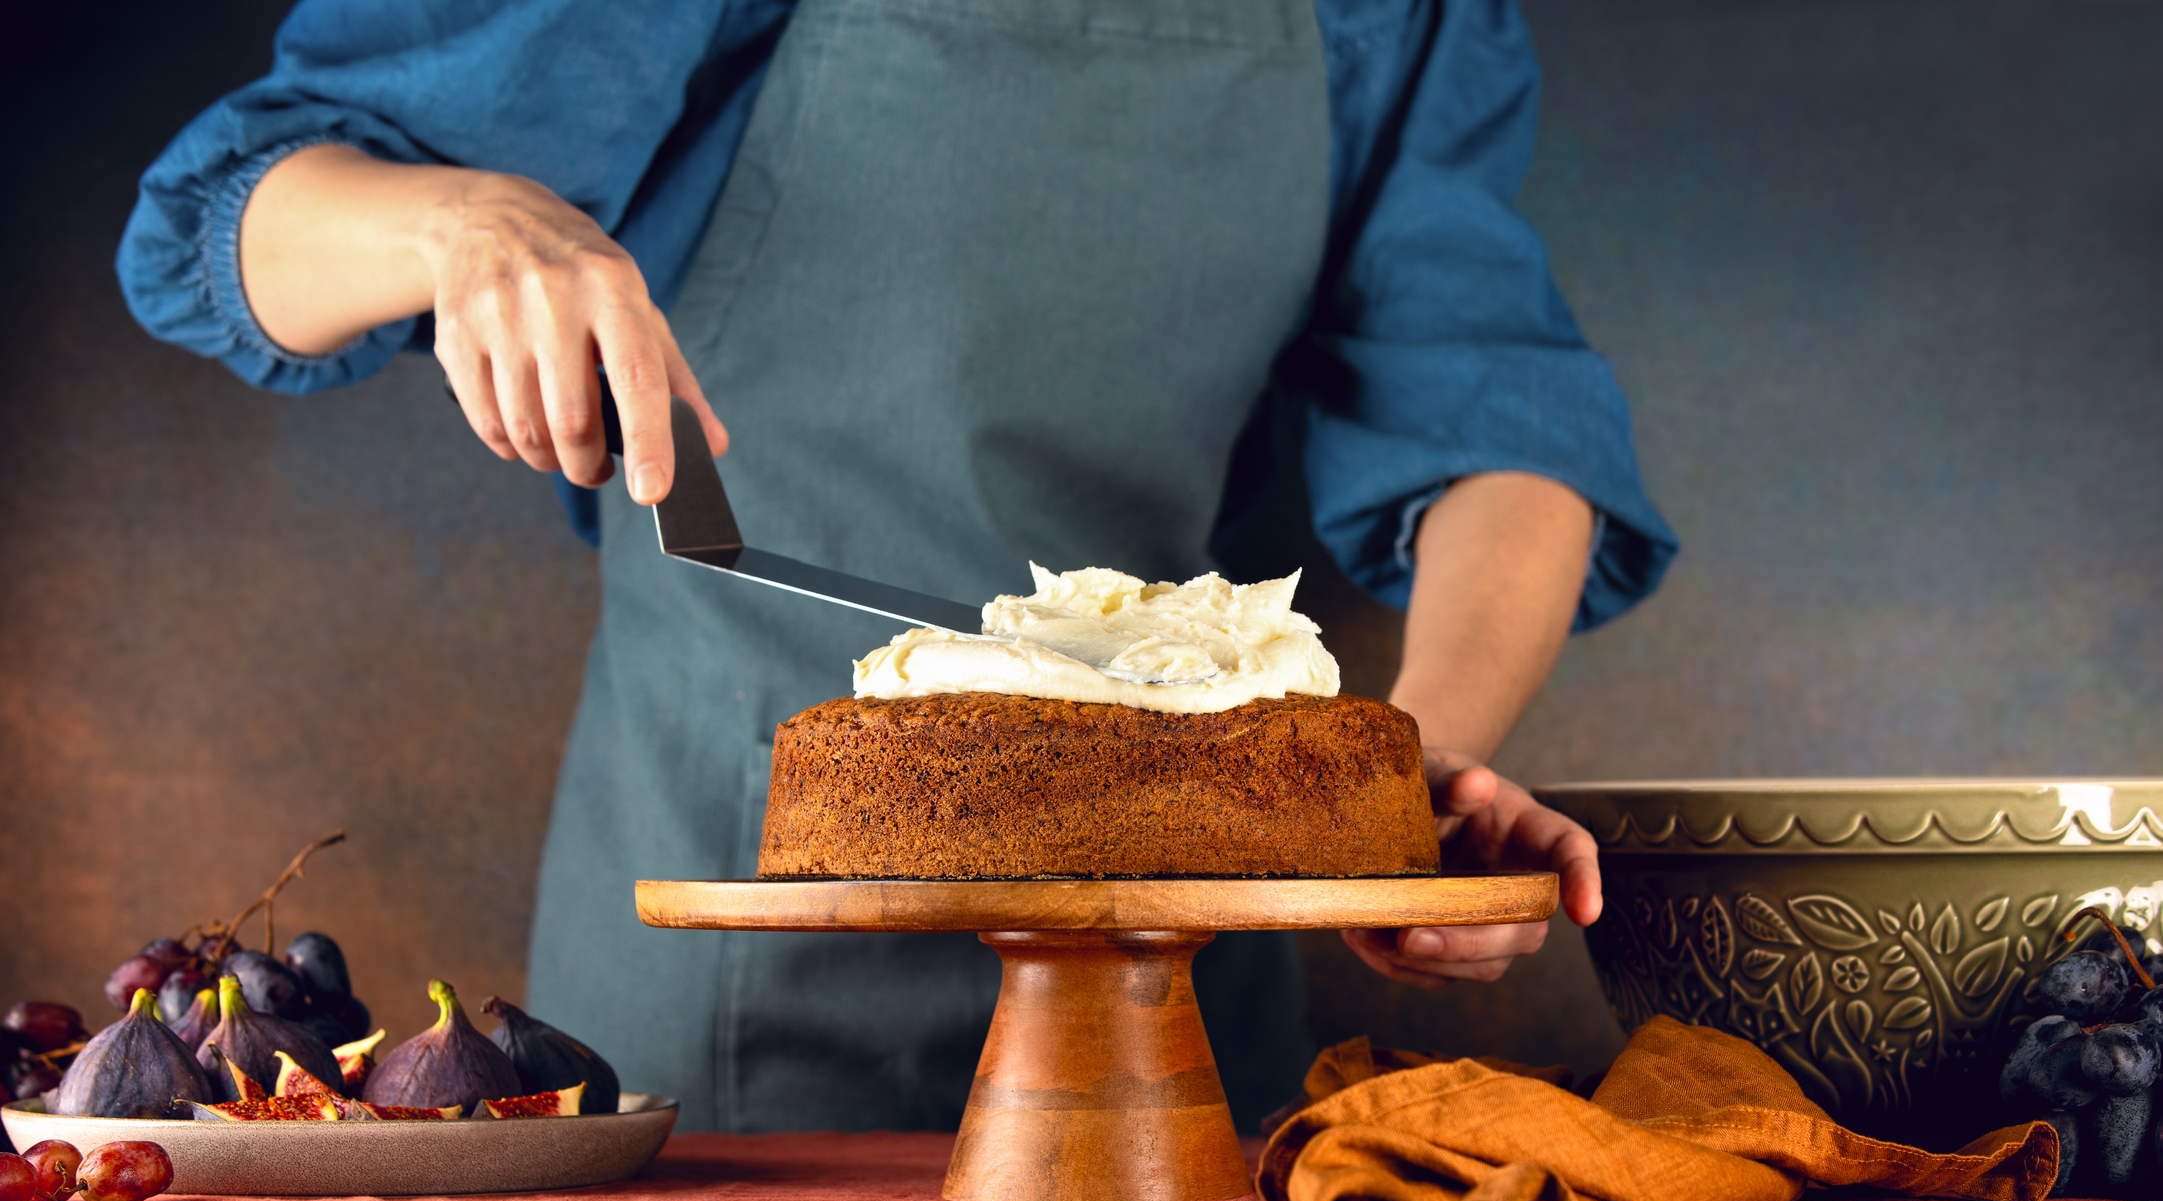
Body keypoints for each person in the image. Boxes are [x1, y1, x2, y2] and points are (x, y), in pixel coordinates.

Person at [119, 0, 1677, 1132]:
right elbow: (222, 217)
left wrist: (1423, 764)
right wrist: (463, 222)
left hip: (1183, 1004)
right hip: (737, 976)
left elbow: (1500, 417)